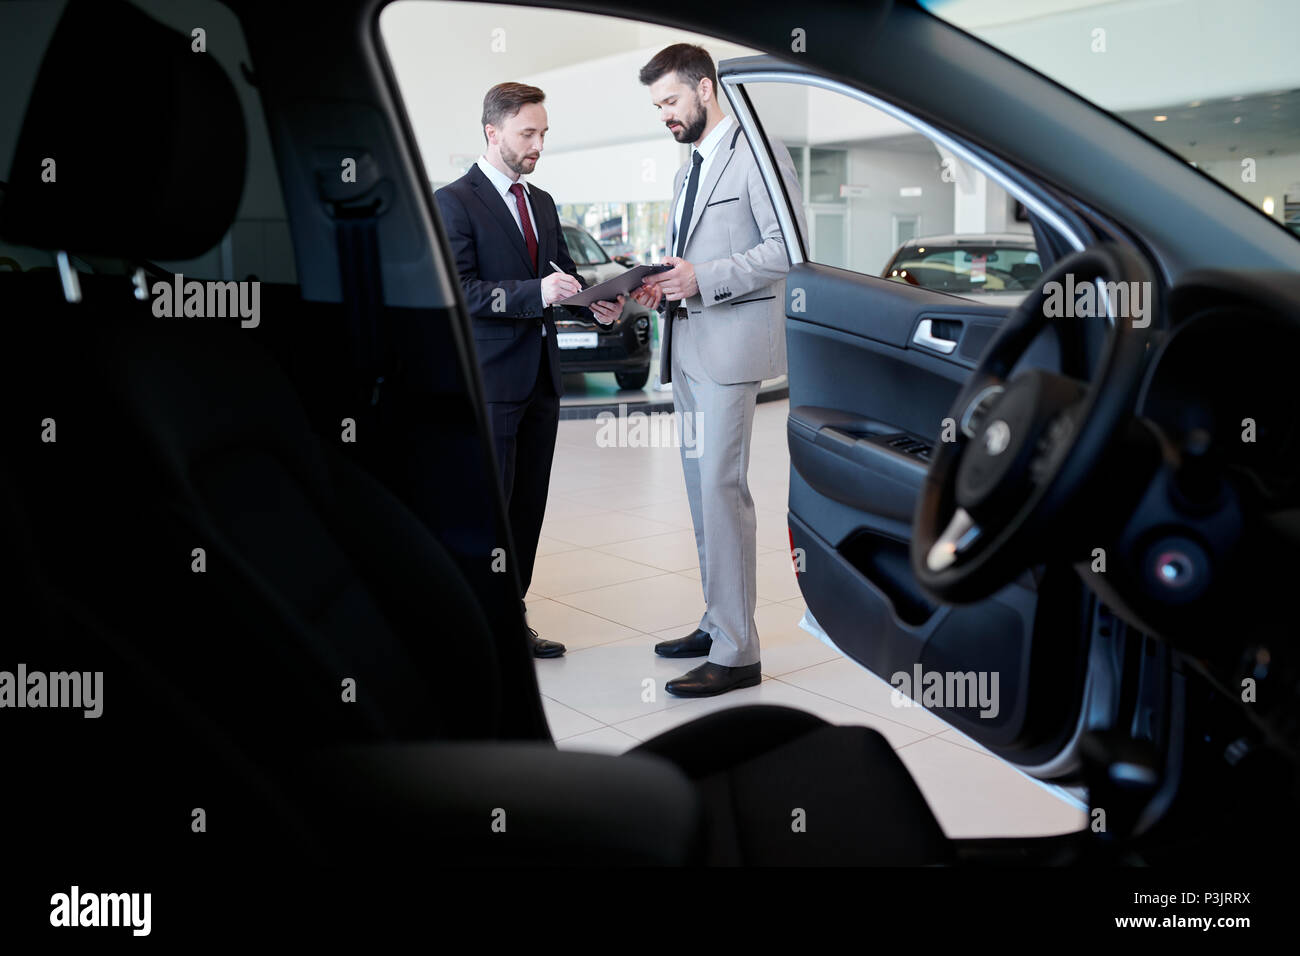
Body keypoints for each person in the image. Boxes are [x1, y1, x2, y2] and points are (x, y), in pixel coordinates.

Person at [631, 45, 806, 696]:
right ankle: (716, 620)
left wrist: (704, 278)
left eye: (671, 101)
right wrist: (665, 282)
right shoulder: (688, 174)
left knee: (723, 495)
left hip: (731, 350)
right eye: (657, 107)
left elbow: (787, 249)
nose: (665, 117)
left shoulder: (759, 153)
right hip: (687, 347)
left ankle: (737, 652)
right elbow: (690, 259)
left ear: (705, 89)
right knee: (702, 499)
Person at [435, 82, 625, 658]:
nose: (539, 144)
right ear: (493, 132)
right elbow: (461, 292)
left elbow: (560, 279)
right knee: (488, 508)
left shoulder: (540, 202)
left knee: (527, 507)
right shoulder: (453, 202)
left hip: (541, 380)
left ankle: (509, 614)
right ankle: (475, 624)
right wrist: (535, 291)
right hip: (490, 382)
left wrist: (595, 302)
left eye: (544, 133)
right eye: (528, 134)